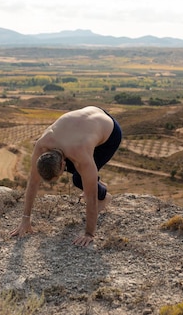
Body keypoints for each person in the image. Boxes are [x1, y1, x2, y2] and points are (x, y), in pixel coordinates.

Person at [9, 106, 123, 247]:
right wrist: (25, 219)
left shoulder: (80, 154)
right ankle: (93, 181)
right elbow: (33, 182)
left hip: (109, 133)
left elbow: (91, 197)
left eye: (59, 175)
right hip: (87, 122)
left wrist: (89, 233)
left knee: (79, 179)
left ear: (63, 164)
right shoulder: (41, 145)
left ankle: (105, 196)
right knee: (81, 176)